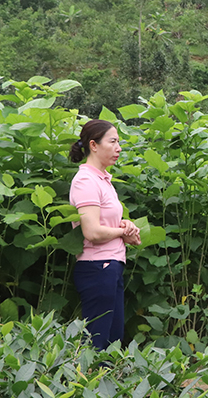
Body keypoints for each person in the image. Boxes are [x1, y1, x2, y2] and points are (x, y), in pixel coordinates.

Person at [68, 119, 141, 350]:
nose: (118, 148)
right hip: (97, 267)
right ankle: (85, 385)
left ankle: (106, 385)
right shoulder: (86, 180)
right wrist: (121, 232)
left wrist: (125, 226)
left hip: (111, 266)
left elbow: (103, 221)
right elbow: (91, 231)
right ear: (94, 145)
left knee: (113, 341)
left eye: (119, 142)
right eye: (113, 141)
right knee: (97, 343)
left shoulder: (103, 180)